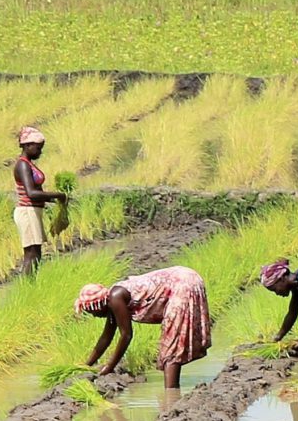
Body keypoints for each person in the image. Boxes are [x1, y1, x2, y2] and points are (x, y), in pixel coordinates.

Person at [74, 265, 212, 389]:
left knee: (171, 346)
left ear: (97, 305)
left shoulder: (115, 298)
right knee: (171, 345)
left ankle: (171, 395)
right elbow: (106, 337)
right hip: (185, 278)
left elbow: (126, 335)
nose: (94, 315)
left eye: (91, 311)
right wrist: (86, 366)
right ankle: (172, 390)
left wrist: (109, 367)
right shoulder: (112, 301)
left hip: (183, 285)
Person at [12, 125, 69, 274]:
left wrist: (55, 201)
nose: (40, 152)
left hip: (34, 211)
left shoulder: (29, 164)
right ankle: (28, 287)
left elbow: (37, 191)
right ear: (27, 145)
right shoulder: (23, 165)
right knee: (32, 254)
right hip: (27, 211)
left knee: (36, 252)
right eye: (37, 148)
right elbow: (31, 193)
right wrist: (58, 195)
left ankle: (30, 285)